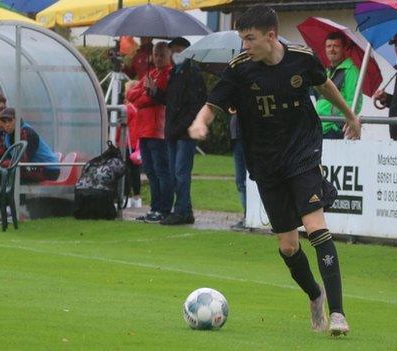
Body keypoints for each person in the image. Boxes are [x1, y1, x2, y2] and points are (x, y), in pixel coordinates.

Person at [188, 5, 361, 336]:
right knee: (288, 247)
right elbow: (214, 104)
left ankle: (338, 314)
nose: (245, 46)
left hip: (302, 154)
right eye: (242, 39)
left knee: (316, 227)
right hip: (265, 163)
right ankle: (315, 296)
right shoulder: (240, 69)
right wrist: (199, 122)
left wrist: (350, 116)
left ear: (270, 36)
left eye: (249, 39)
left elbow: (325, 86)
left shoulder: (301, 59)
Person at [145, 37, 206, 225]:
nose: (175, 54)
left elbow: (196, 103)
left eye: (179, 50)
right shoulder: (175, 73)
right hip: (173, 131)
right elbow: (170, 100)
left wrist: (184, 125)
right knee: (174, 172)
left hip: (184, 132)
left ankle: (181, 210)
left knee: (180, 172)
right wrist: (154, 91)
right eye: (173, 50)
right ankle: (183, 209)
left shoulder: (193, 73)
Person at [127, 42, 173, 223]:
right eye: (156, 54)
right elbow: (132, 95)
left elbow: (151, 98)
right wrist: (144, 93)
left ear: (168, 55)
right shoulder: (151, 73)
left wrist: (145, 94)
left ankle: (164, 208)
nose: (158, 58)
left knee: (161, 170)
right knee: (150, 171)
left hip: (157, 130)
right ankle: (155, 207)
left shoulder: (167, 74)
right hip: (144, 130)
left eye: (161, 55)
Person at [315, 32, 362, 139]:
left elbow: (355, 103)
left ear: (344, 49)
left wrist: (337, 126)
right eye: (328, 46)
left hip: (335, 130)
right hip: (321, 128)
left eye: (336, 46)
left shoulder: (351, 70)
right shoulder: (326, 72)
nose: (332, 49)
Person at [229, 107, 247, 229]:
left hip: (248, 137)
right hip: (236, 137)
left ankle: (254, 215)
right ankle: (247, 215)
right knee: (240, 181)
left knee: (252, 181)